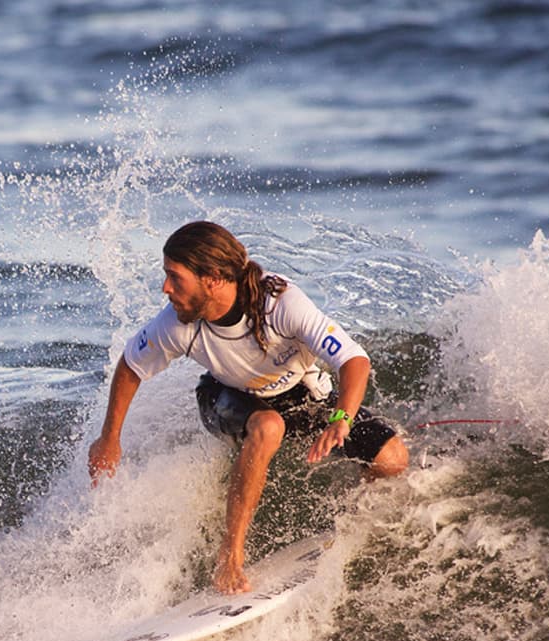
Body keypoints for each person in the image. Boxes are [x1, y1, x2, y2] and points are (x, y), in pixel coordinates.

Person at [87, 221, 408, 594]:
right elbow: (131, 366)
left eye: (175, 277)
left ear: (213, 278)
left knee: (393, 459)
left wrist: (342, 417)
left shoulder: (280, 304)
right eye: (166, 276)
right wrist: (109, 439)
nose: (166, 289)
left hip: (299, 394)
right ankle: (231, 557)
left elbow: (353, 359)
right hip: (224, 396)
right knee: (268, 426)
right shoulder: (177, 325)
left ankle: (350, 523)